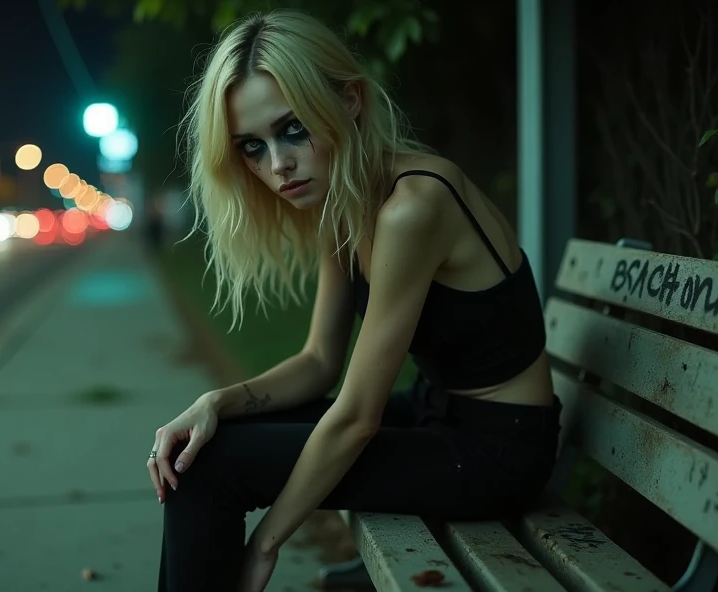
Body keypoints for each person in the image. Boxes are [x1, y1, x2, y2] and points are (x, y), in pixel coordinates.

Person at [146, 9, 561, 592]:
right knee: (204, 446)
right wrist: (217, 402)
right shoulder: (342, 206)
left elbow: (358, 419)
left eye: (293, 129)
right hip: (433, 413)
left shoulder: (414, 207)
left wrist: (267, 543)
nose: (278, 164)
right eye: (252, 147)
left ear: (349, 101)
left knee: (208, 471)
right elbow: (319, 363)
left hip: (496, 453)